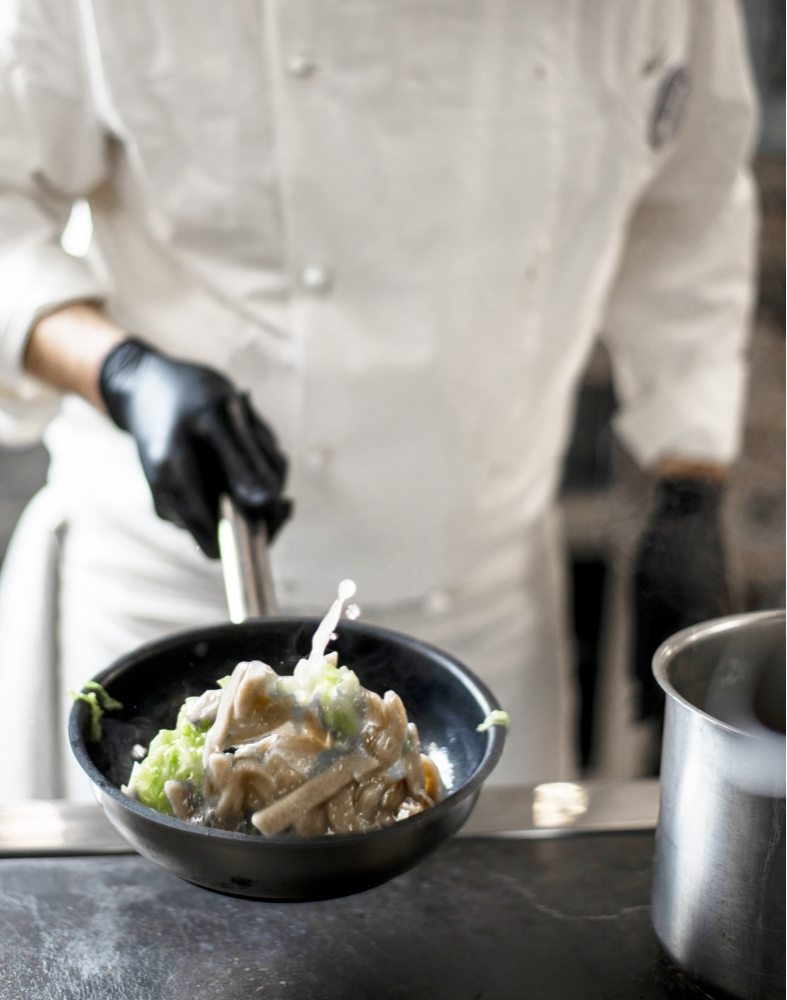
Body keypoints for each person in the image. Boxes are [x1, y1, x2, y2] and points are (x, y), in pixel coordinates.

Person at [0, 1, 758, 801]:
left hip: (481, 605)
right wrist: (119, 370)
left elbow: (692, 210)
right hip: (169, 600)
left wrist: (689, 478)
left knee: (478, 915)